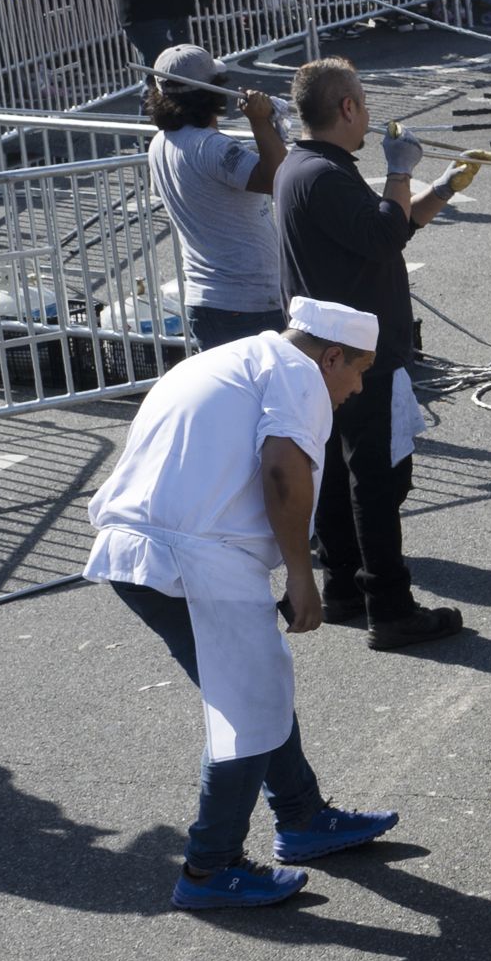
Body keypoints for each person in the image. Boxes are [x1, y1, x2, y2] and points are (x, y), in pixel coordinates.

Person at [84, 294, 402, 913]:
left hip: (146, 549)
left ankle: (303, 817)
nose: (357, 387)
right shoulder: (298, 375)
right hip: (194, 558)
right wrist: (303, 577)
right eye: (358, 370)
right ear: (331, 356)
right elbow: (284, 470)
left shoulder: (234, 356)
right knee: (249, 705)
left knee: (256, 687)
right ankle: (210, 868)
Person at [272, 56, 468, 649]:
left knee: (336, 471)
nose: (369, 116)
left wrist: (442, 189)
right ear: (348, 107)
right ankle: (389, 603)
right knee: (374, 479)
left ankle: (344, 588)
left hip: (332, 350)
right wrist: (399, 170)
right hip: (352, 357)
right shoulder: (323, 174)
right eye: (363, 101)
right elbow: (384, 233)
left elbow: (384, 231)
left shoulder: (307, 168)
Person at [143, 44, 289, 349]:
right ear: (211, 92)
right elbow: (277, 178)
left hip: (207, 299)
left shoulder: (159, 143)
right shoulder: (213, 147)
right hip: (247, 302)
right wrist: (260, 122)